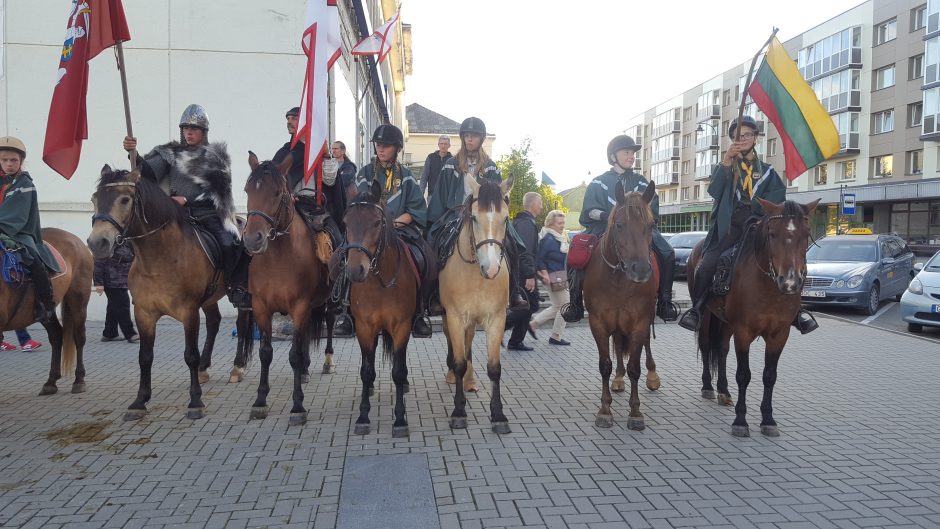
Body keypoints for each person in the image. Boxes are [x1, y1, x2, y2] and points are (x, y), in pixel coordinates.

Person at [677, 116, 818, 334]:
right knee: (706, 264)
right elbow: (714, 191)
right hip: (730, 226)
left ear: (756, 139)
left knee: (790, 257)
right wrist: (726, 162)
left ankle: (797, 310)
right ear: (732, 139)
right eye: (737, 136)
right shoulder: (725, 167)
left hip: (760, 225)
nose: (742, 139)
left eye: (747, 135)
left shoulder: (769, 171)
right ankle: (697, 310)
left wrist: (758, 211)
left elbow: (777, 197)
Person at [123, 104, 250, 308]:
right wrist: (134, 153)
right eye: (185, 128)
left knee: (229, 243)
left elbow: (219, 191)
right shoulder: (170, 153)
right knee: (139, 238)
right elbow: (147, 172)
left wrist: (188, 200)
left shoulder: (215, 157)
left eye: (194, 129)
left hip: (207, 213)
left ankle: (234, 287)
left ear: (204, 132)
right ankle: (142, 285)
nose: (189, 132)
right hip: (174, 214)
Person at [561, 135, 678, 323]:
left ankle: (665, 302)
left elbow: (652, 209)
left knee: (667, 252)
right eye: (627, 152)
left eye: (632, 153)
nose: (631, 156)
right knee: (576, 250)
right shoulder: (598, 182)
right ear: (613, 156)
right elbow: (590, 211)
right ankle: (575, 304)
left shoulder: (641, 182)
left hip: (638, 229)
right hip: (603, 227)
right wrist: (610, 217)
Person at [426, 117, 528, 312]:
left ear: (481, 139)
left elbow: (499, 195)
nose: (469, 139)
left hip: (483, 216)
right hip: (454, 215)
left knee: (512, 243)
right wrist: (432, 222)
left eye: (473, 136)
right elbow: (439, 194)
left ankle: (515, 290)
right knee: (433, 242)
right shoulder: (450, 164)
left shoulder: (490, 166)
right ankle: (434, 295)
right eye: (466, 135)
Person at [344, 123, 434, 338]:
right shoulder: (365, 173)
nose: (381, 149)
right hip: (367, 232)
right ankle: (345, 311)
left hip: (399, 229)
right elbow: (359, 205)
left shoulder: (407, 176)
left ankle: (420, 311)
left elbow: (415, 209)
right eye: (378, 145)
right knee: (342, 257)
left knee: (424, 257)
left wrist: (392, 226)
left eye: (386, 145)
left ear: (397, 148)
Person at [0, 136, 59, 324]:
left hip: (19, 232)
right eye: (4, 160)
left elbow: (16, 215)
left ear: (21, 162)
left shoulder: (25, 184)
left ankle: (45, 304)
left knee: (33, 259)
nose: (9, 164)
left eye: (13, 160)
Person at [272, 107, 345, 245]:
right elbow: (273, 182)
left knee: (337, 240)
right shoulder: (284, 153)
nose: (289, 122)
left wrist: (326, 156)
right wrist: (288, 194)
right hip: (289, 205)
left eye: (294, 118)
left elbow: (330, 181)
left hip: (314, 207)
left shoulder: (319, 150)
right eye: (288, 119)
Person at [505, 192, 542, 351]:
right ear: (533, 204)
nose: (542, 206)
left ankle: (515, 341)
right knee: (530, 305)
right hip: (523, 274)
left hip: (521, 272)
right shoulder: (526, 224)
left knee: (527, 306)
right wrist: (529, 275)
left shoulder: (520, 222)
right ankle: (501, 327)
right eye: (540, 203)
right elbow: (525, 251)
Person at [531, 209, 570, 346]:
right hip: (552, 277)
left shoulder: (558, 238)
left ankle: (533, 324)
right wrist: (544, 274)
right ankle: (556, 336)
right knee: (566, 306)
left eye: (563, 222)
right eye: (559, 223)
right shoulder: (548, 239)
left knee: (557, 306)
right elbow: (539, 258)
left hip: (559, 276)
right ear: (551, 224)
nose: (562, 225)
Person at [93, 242, 138, 343]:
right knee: (123, 306)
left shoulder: (125, 242)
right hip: (111, 282)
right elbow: (98, 263)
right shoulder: (107, 244)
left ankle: (109, 334)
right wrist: (98, 283)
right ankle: (130, 334)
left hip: (123, 281)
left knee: (113, 308)